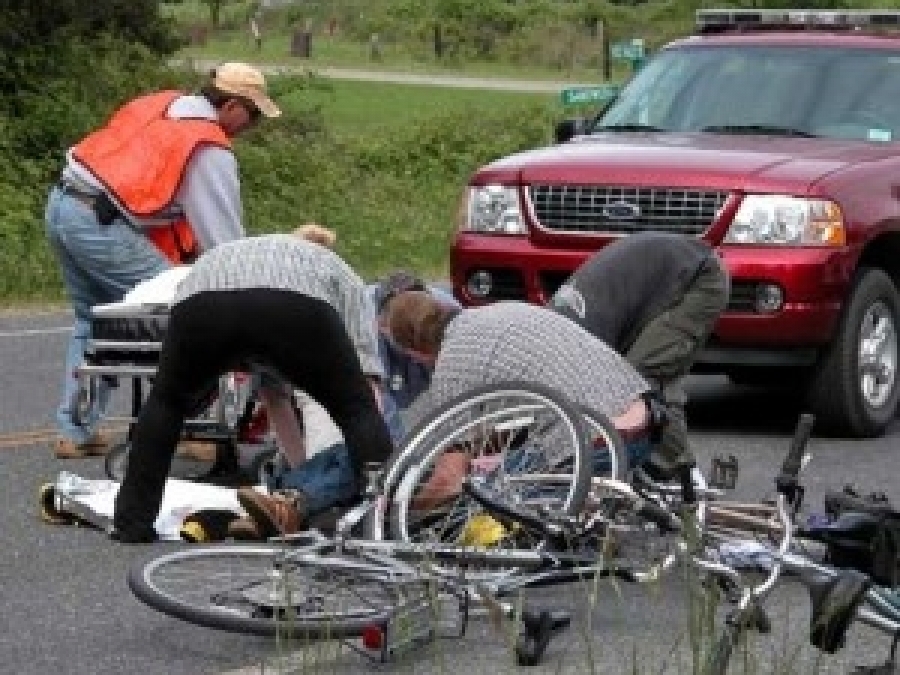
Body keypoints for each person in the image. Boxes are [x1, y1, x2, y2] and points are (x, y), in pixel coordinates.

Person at [46, 62, 281, 458]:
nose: (251, 126)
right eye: (253, 115)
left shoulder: (162, 105)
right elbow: (224, 241)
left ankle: (75, 430)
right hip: (101, 224)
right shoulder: (206, 146)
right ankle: (189, 428)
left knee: (94, 318)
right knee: (185, 314)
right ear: (234, 106)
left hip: (63, 204)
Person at [111, 233, 394, 543]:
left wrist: (301, 469)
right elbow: (367, 385)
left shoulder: (234, 252)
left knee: (166, 403)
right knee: (356, 409)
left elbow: (274, 398)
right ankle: (380, 518)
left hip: (201, 298)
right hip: (293, 305)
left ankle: (132, 520)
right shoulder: (342, 274)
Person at [548, 232, 730, 479]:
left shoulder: (574, 339)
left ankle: (683, 476)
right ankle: (651, 469)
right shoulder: (557, 325)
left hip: (700, 278)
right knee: (635, 382)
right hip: (663, 278)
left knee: (640, 379)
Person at [366, 270, 460, 443]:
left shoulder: (447, 312)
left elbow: (460, 385)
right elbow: (379, 403)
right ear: (382, 325)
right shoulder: (365, 323)